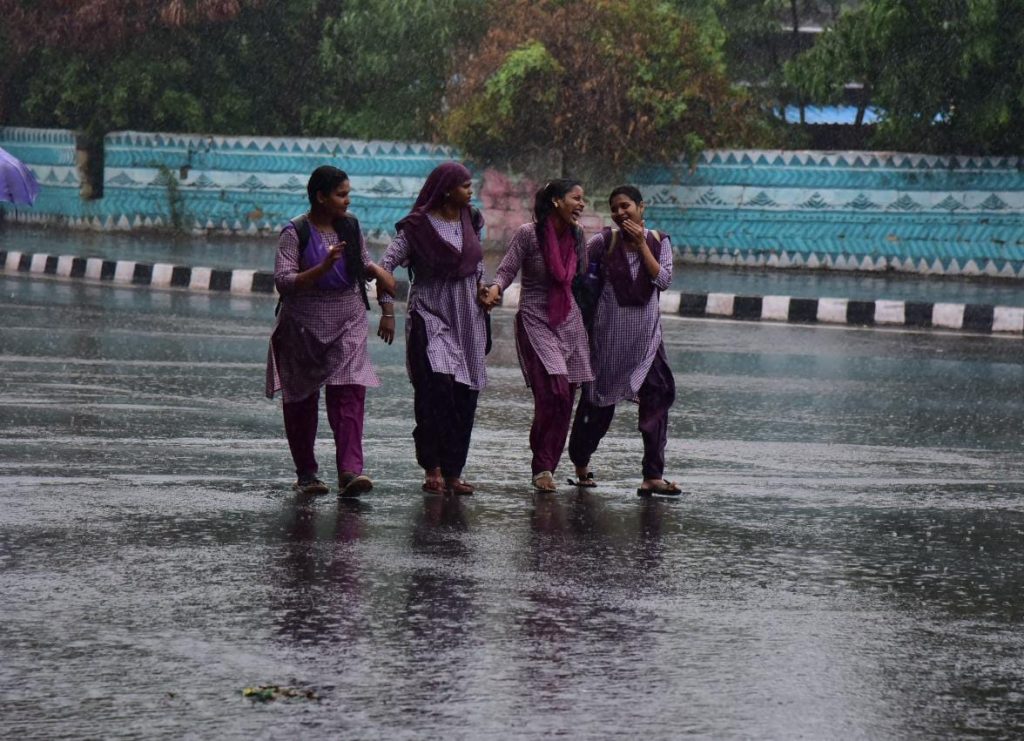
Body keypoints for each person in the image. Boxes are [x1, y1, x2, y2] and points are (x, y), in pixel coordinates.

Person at [266, 166, 396, 497]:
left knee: (350, 389)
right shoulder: (295, 233)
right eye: (341, 194)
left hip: (348, 319)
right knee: (301, 399)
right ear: (321, 197)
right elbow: (283, 281)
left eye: (348, 193)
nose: (347, 201)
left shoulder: (350, 227)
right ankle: (307, 474)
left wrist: (379, 277)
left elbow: (363, 262)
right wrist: (321, 267)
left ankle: (350, 471)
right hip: (303, 326)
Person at [376, 162, 490, 495]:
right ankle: (433, 466)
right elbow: (385, 267)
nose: (471, 191)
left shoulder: (472, 220)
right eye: (465, 185)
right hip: (431, 313)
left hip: (468, 316)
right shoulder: (416, 228)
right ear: (446, 190)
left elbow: (477, 264)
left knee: (464, 393)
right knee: (436, 386)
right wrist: (387, 310)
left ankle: (454, 471)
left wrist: (484, 289)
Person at [566, 185, 681, 496]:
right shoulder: (604, 242)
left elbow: (663, 280)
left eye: (625, 206)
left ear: (641, 208)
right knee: (598, 406)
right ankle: (580, 463)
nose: (619, 213)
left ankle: (653, 476)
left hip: (647, 341)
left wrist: (642, 244)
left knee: (658, 397)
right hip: (608, 342)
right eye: (614, 208)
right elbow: (575, 274)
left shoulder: (660, 242)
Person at [483, 179, 594, 492]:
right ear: (557, 202)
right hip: (535, 319)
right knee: (553, 392)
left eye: (583, 199)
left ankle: (547, 468)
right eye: (577, 198)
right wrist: (494, 290)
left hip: (569, 321)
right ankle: (540, 460)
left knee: (566, 398)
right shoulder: (528, 235)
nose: (582, 205)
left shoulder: (577, 235)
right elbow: (506, 270)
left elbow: (583, 281)